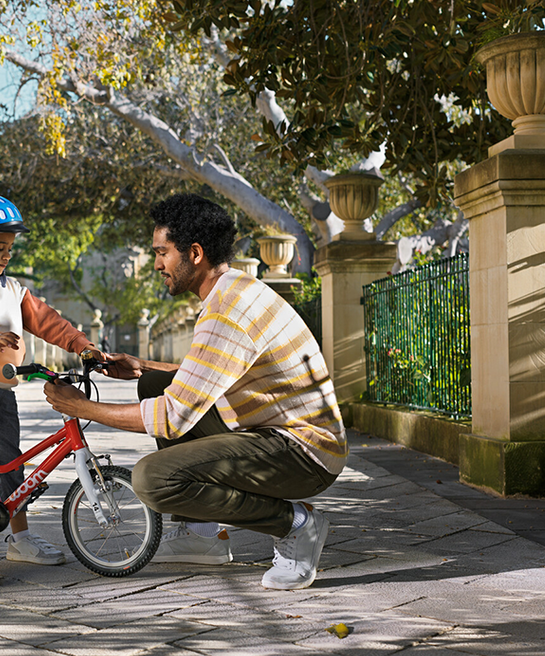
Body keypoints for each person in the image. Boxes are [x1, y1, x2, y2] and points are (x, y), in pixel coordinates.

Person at [43, 193, 346, 590]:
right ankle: (202, 536)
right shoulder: (233, 290)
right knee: (153, 383)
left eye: (162, 253)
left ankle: (296, 526)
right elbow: (206, 375)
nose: (156, 264)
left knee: (153, 480)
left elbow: (172, 415)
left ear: (196, 253)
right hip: (279, 435)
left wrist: (82, 407)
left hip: (304, 455)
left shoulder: (226, 312)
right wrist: (144, 366)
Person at [0, 193, 102, 588]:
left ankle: (20, 537)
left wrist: (82, 344)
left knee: (11, 461)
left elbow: (47, 321)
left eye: (10, 247)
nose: (6, 254)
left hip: (2, 388)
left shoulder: (12, 288)